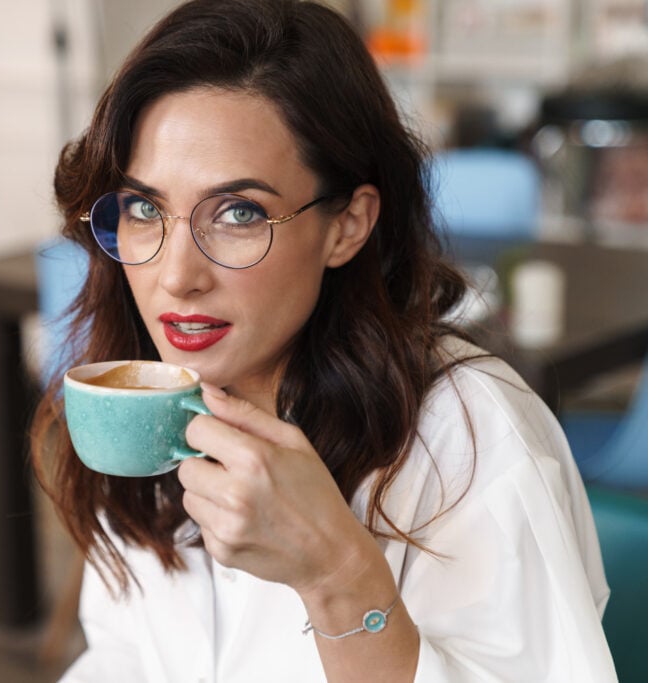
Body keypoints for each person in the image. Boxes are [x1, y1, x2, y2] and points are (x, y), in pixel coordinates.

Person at [30, 1, 616, 680]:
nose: (176, 276)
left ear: (348, 224)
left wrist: (337, 571)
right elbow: (126, 653)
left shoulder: (471, 438)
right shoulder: (150, 405)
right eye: (144, 208)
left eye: (238, 213)